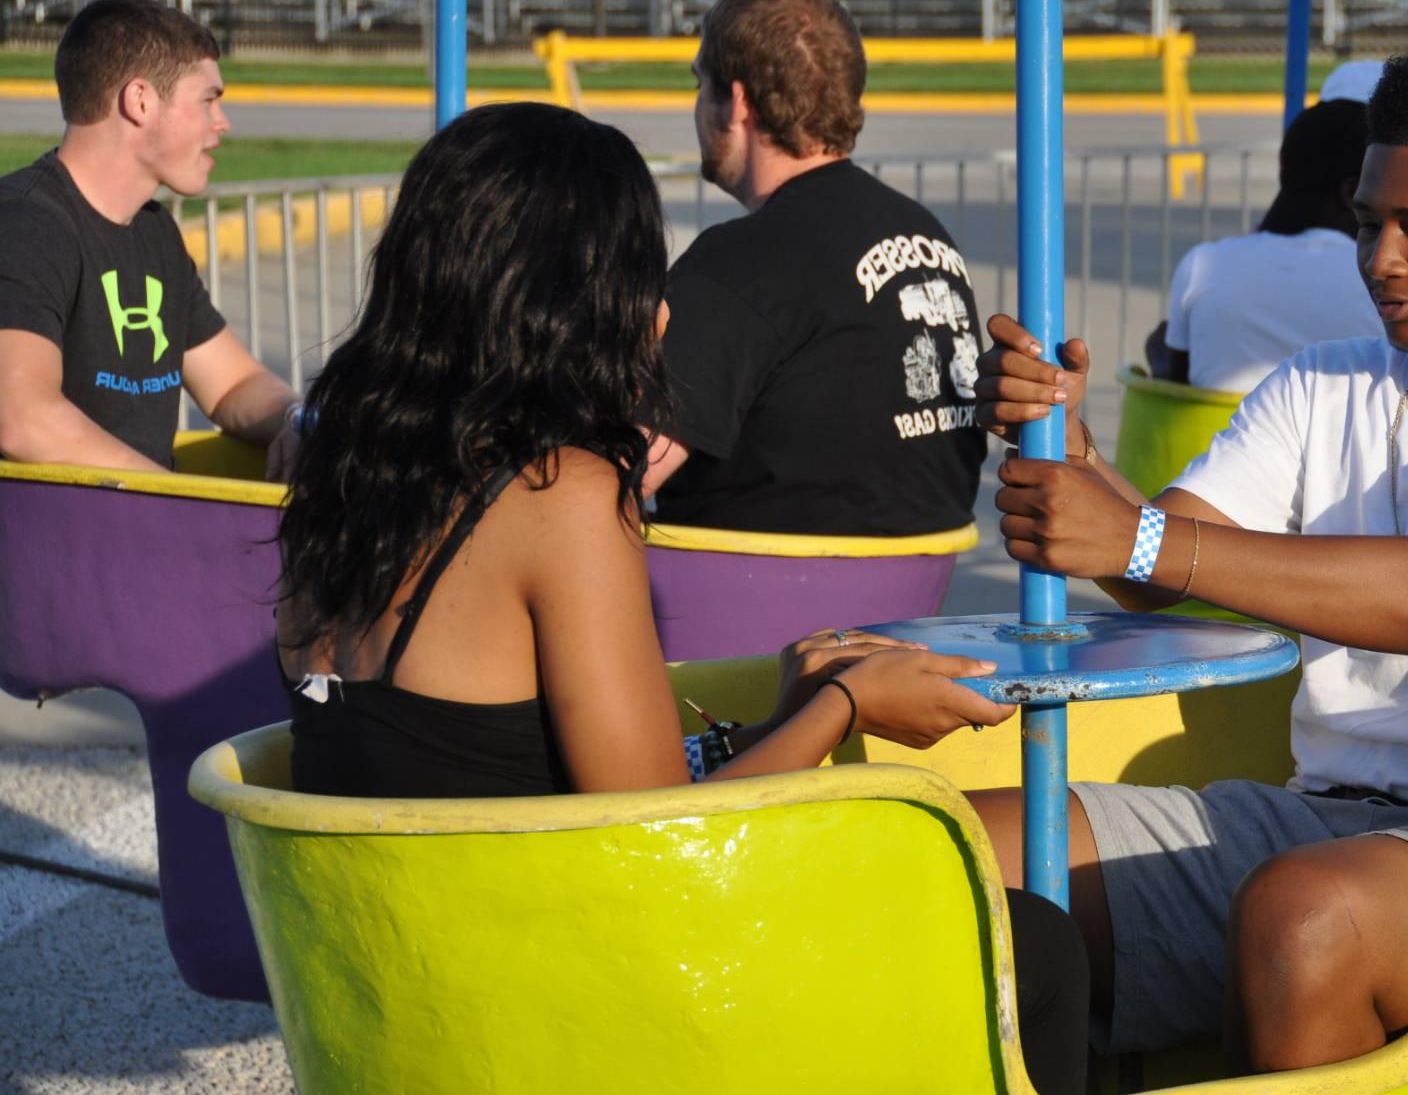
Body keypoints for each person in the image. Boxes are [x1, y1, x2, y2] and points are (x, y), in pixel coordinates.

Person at [273, 101, 1087, 1094]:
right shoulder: (560, 496)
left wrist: (778, 716)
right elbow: (655, 831)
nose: (659, 316)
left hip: (412, 989)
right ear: (563, 299)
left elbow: (458, 750)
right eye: (636, 279)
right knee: (1033, 945)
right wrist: (845, 709)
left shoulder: (335, 481)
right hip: (587, 1001)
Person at [969, 39, 1408, 1073]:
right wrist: (1074, 455)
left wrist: (1136, 533)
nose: (1378, 259)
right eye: (1367, 223)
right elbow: (1152, 567)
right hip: (1316, 818)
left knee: (1306, 915)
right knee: (954, 855)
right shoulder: (1323, 382)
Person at [641, 0, 987, 536]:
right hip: (909, 595)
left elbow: (625, 470)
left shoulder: (738, 264)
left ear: (736, 101)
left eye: (699, 83)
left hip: (741, 601)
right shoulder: (927, 237)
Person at [0, 0, 298, 474]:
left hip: (139, 535)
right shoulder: (23, 225)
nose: (222, 124)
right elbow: (22, 418)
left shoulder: (155, 229)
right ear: (140, 100)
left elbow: (232, 385)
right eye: (209, 101)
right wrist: (169, 506)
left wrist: (301, 420)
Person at [1150, 95, 1378, 392]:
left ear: (1284, 166)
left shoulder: (1202, 266)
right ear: (1352, 193)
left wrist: (1158, 354)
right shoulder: (1379, 279)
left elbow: (1178, 386)